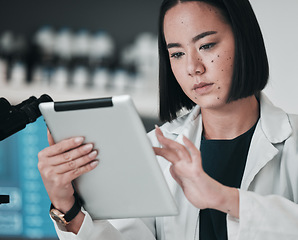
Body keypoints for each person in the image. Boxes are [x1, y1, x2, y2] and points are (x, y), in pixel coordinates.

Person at [37, 0, 298, 239]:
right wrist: (68, 210)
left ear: (245, 40)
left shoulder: (293, 141)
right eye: (177, 54)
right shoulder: (152, 150)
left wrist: (225, 199)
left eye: (206, 45)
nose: (193, 67)